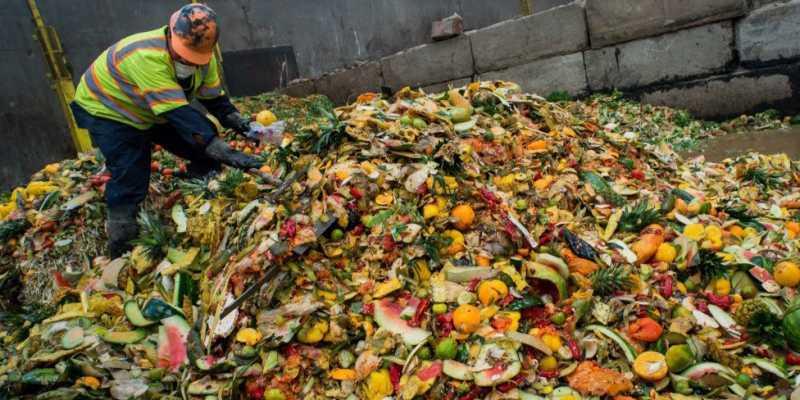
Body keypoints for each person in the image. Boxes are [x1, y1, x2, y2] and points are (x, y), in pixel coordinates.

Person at [70, 3, 262, 258]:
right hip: (109, 108)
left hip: (152, 107)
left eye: (193, 58)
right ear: (171, 35)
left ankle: (199, 195)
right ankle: (121, 240)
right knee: (131, 169)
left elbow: (214, 99)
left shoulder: (204, 59)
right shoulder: (145, 56)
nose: (187, 62)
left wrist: (238, 122)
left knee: (200, 140)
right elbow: (177, 114)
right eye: (183, 56)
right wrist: (223, 150)